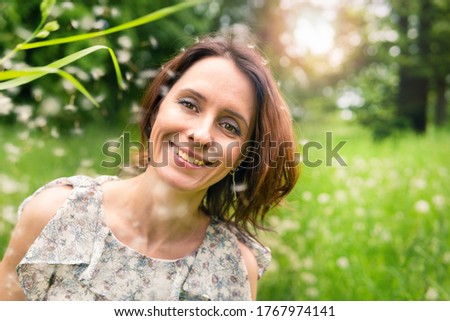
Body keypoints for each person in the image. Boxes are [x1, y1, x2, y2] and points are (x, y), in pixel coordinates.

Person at [0, 32, 299, 301]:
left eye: (230, 126)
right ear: (157, 108)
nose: (201, 134)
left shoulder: (233, 266)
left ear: (244, 154)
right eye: (190, 104)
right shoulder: (55, 213)